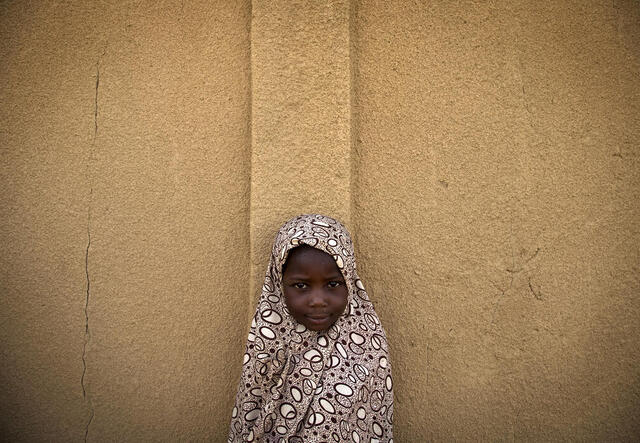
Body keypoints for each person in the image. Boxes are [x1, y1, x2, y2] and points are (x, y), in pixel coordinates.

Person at [228, 214, 393, 442]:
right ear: (278, 284)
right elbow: (250, 418)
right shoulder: (266, 345)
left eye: (333, 284)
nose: (317, 300)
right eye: (301, 285)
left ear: (349, 281)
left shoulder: (368, 348)